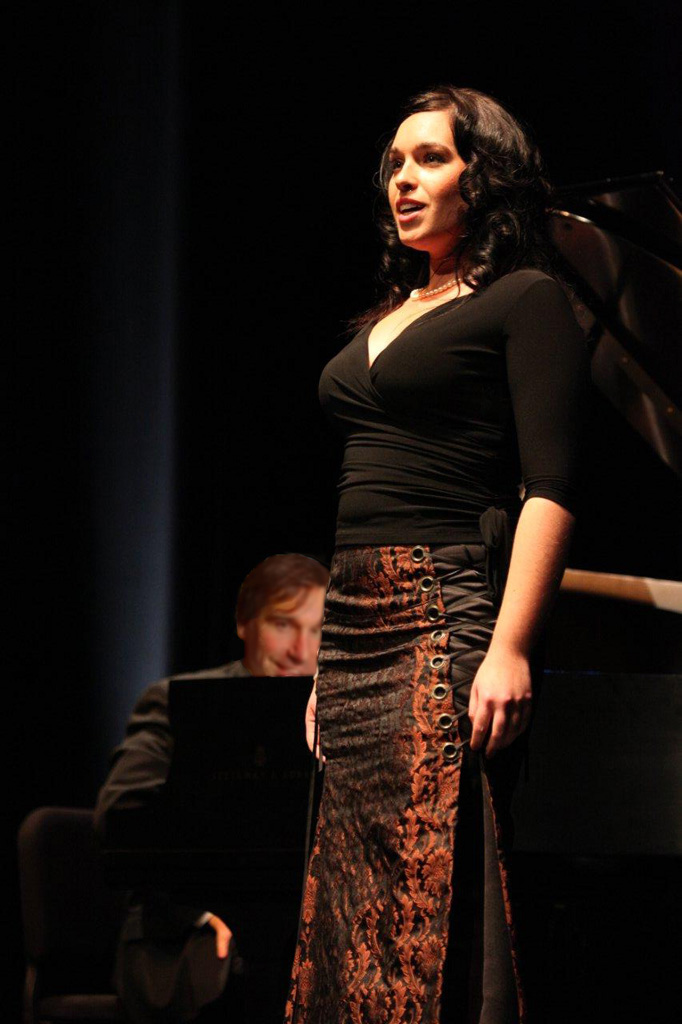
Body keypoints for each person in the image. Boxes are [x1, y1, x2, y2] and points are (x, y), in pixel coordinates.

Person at [285, 87, 588, 1024]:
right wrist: (328, 659)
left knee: (437, 881)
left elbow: (550, 490)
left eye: (430, 158)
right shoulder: (392, 310)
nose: (403, 179)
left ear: (483, 176)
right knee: (351, 899)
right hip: (355, 628)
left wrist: (511, 646)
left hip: (441, 612)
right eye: (394, 163)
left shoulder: (525, 299)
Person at [95, 553, 328, 1024]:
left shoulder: (336, 713)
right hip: (182, 932)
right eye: (283, 625)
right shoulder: (174, 703)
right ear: (245, 623)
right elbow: (122, 819)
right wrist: (206, 912)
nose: (300, 649)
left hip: (302, 931)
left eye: (318, 630)